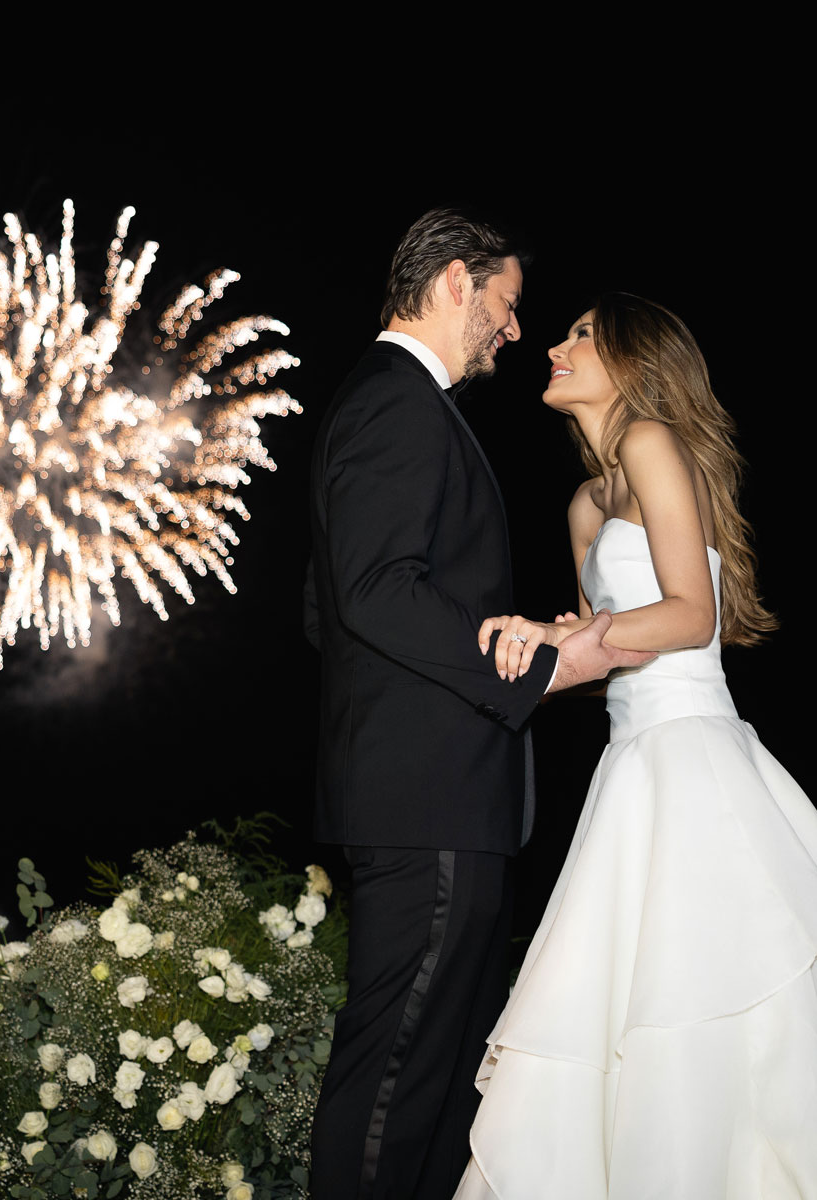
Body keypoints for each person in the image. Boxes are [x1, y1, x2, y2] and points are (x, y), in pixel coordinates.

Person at [304, 212, 652, 1200]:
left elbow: (325, 610)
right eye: (505, 305)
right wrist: (535, 668)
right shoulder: (395, 401)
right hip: (427, 803)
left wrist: (512, 636)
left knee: (438, 1091)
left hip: (429, 793)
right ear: (456, 281)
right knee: (393, 1083)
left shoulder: (390, 404)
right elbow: (372, 592)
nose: (511, 330)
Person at [454, 294, 817, 1199]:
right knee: (624, 1005)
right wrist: (544, 648)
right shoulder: (585, 503)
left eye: (582, 335)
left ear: (635, 360)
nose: (555, 345)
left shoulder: (655, 440)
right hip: (630, 767)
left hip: (693, 757)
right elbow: (610, 649)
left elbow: (692, 617)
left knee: (693, 996)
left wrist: (550, 633)